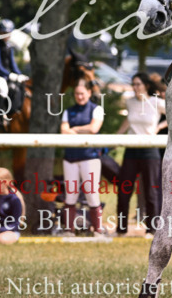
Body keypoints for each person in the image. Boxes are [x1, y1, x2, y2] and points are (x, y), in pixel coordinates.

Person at [115, 72, 166, 235]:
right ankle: (120, 229)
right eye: (133, 84)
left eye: (138, 84)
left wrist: (159, 127)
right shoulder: (130, 102)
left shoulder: (156, 102)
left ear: (146, 85)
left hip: (149, 150)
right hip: (131, 149)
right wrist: (116, 137)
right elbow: (129, 121)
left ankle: (152, 229)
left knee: (151, 190)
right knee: (124, 190)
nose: (135, 87)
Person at [60, 79, 106, 234]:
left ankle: (98, 230)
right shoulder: (68, 111)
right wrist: (74, 130)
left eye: (82, 93)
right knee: (70, 195)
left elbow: (94, 128)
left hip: (89, 157)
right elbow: (63, 130)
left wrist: (75, 129)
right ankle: (69, 230)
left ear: (89, 93)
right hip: (71, 157)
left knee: (92, 194)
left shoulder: (96, 109)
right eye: (77, 94)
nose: (79, 97)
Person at [0, 18, 28, 128]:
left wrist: (20, 74)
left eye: (8, 32)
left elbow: (13, 64)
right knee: (3, 90)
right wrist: (9, 74)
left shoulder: (9, 47)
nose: (6, 35)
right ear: (0, 32)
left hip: (6, 77)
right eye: (4, 32)